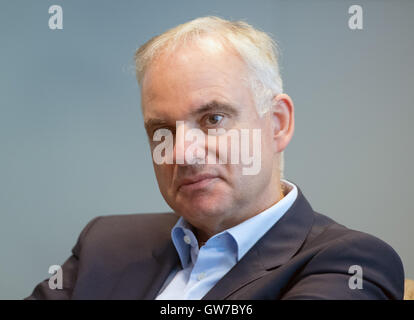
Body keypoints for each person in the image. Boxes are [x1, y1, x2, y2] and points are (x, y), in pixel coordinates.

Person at [26, 16, 404, 300]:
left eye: (213, 119)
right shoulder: (106, 243)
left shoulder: (349, 262)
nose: (181, 153)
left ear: (277, 123)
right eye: (162, 130)